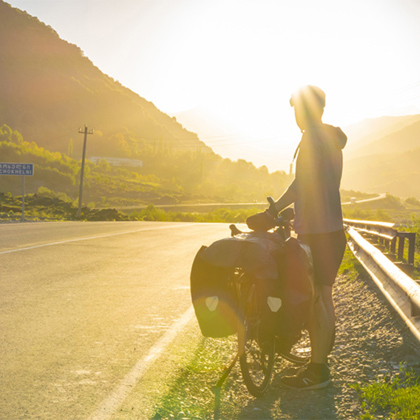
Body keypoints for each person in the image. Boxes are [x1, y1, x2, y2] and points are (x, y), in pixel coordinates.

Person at [269, 85, 347, 390]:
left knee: (315, 298)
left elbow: (303, 183)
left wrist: (275, 208)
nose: (296, 116)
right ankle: (321, 364)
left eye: (298, 109)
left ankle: (317, 372)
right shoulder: (329, 138)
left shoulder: (314, 138)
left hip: (318, 230)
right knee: (323, 296)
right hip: (330, 228)